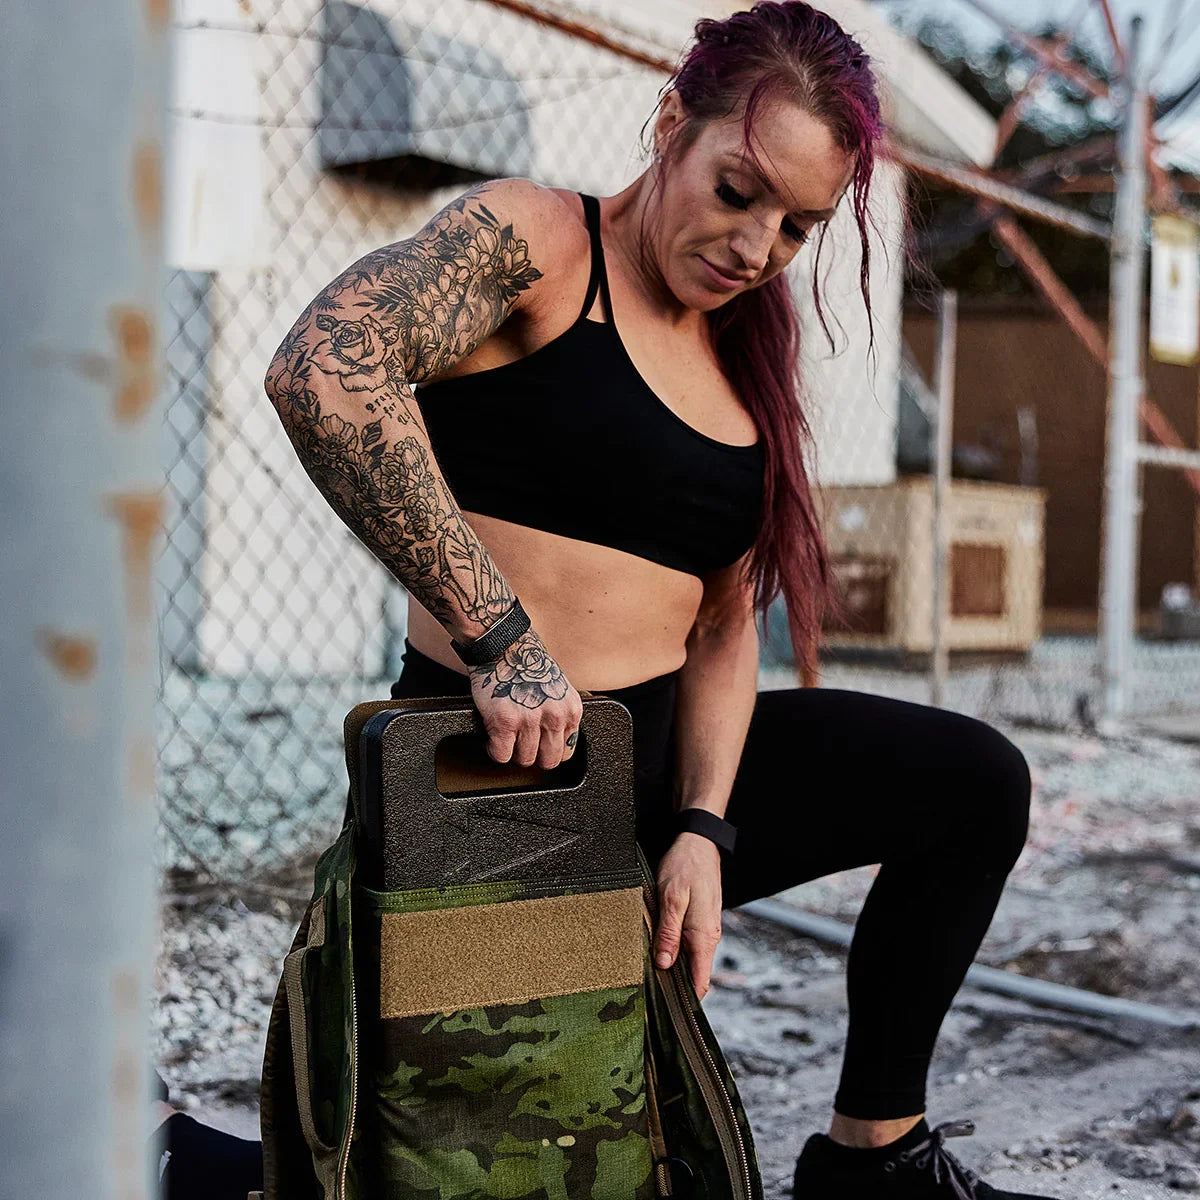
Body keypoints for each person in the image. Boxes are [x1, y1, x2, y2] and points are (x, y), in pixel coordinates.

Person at [263, 3, 1045, 1196]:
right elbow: (326, 367)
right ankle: (171, 1157)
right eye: (739, 190)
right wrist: (501, 638)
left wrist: (703, 832)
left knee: (974, 782)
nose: (756, 244)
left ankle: (874, 1162)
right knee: (494, 1166)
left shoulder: (746, 358)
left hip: (659, 773)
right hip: (499, 789)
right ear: (673, 123)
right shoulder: (539, 244)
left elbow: (728, 625)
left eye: (797, 225)